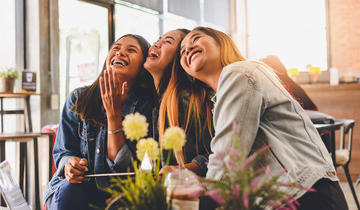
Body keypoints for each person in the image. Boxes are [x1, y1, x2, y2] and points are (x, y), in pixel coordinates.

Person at [179, 27, 348, 209]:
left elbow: (227, 155)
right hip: (296, 195)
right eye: (182, 51)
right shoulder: (222, 95)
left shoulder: (239, 72)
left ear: (222, 44)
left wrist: (200, 200)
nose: (188, 49)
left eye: (195, 39)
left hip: (307, 196)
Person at [43, 34, 155, 209]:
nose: (120, 53)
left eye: (131, 50)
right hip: (73, 192)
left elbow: (126, 173)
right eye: (116, 48)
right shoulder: (78, 98)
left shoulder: (148, 106)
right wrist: (70, 164)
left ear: (142, 68)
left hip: (119, 195)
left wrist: (114, 115)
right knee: (71, 190)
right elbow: (63, 151)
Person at [144, 29, 214, 176]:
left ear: (181, 56)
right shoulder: (152, 102)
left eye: (167, 41)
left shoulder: (188, 99)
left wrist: (181, 170)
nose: (156, 43)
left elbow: (219, 155)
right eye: (158, 39)